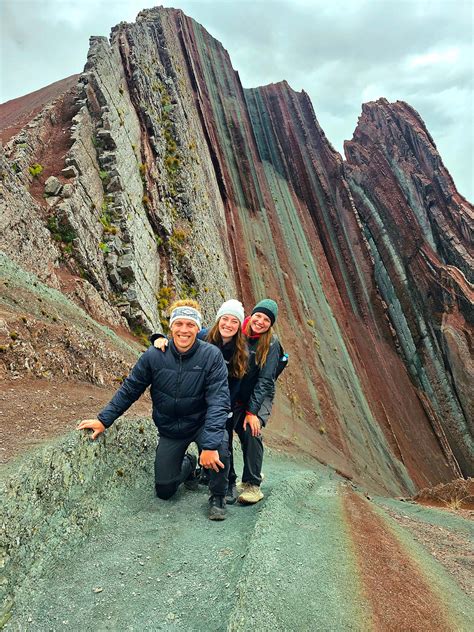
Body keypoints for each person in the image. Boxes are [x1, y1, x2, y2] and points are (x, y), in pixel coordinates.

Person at [77, 300, 231, 521]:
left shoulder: (211, 356)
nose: (184, 330)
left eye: (190, 324)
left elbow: (219, 401)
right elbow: (131, 388)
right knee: (164, 490)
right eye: (179, 324)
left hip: (201, 423)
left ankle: (217, 496)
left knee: (220, 446)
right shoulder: (154, 355)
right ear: (171, 328)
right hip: (171, 428)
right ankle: (189, 464)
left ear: (198, 329)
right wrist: (104, 420)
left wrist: (209, 445)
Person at [153, 299, 248, 505]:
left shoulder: (242, 350)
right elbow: (180, 335)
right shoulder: (203, 335)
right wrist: (160, 339)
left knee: (222, 443)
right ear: (217, 320)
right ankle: (194, 466)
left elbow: (243, 384)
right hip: (198, 405)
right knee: (163, 489)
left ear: (240, 326)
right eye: (225, 319)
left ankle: (223, 488)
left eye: (234, 321)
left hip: (223, 403)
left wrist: (238, 410)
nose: (228, 324)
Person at [231, 299, 280, 505]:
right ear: (252, 315)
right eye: (258, 316)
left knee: (252, 431)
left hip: (261, 395)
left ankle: (253, 484)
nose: (260, 321)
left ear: (271, 324)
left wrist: (252, 413)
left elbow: (266, 380)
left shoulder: (271, 343)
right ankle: (241, 474)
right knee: (228, 428)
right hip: (238, 393)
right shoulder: (237, 332)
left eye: (266, 319)